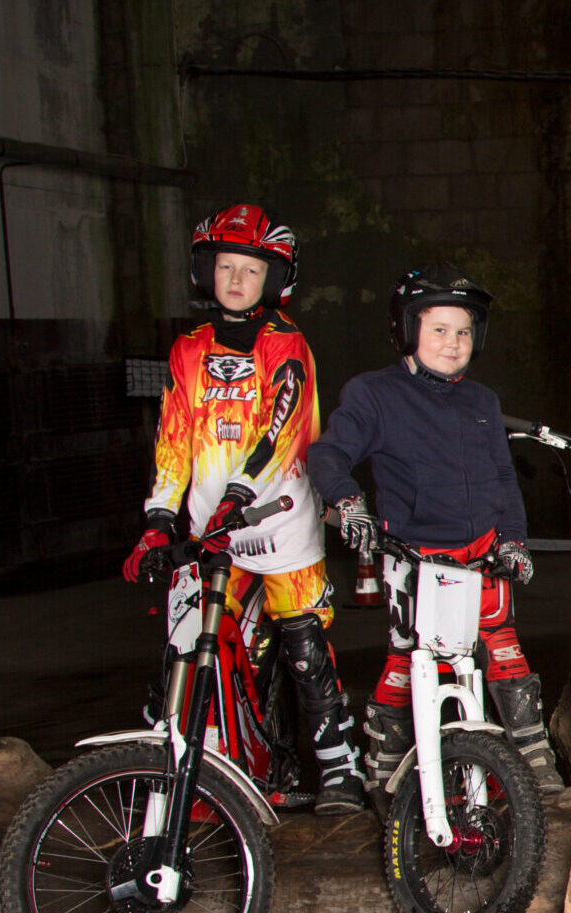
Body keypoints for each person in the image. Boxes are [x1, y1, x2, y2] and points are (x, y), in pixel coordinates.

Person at [125, 204, 363, 816]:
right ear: (206, 270)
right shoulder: (187, 349)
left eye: (251, 269)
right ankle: (216, 764)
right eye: (226, 266)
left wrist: (237, 497)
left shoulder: (286, 342)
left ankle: (340, 765)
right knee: (205, 647)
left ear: (274, 279)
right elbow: (173, 438)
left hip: (280, 524)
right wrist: (158, 520)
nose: (235, 279)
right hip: (212, 536)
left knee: (305, 649)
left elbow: (280, 430)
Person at [304, 262, 561, 796]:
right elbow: (328, 453)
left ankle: (533, 754)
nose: (453, 342)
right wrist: (348, 502)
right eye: (439, 329)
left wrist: (514, 539)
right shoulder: (374, 394)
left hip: (483, 552)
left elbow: (502, 477)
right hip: (413, 555)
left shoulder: (482, 401)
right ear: (407, 329)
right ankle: (386, 761)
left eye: (464, 332)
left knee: (504, 649)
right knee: (407, 657)